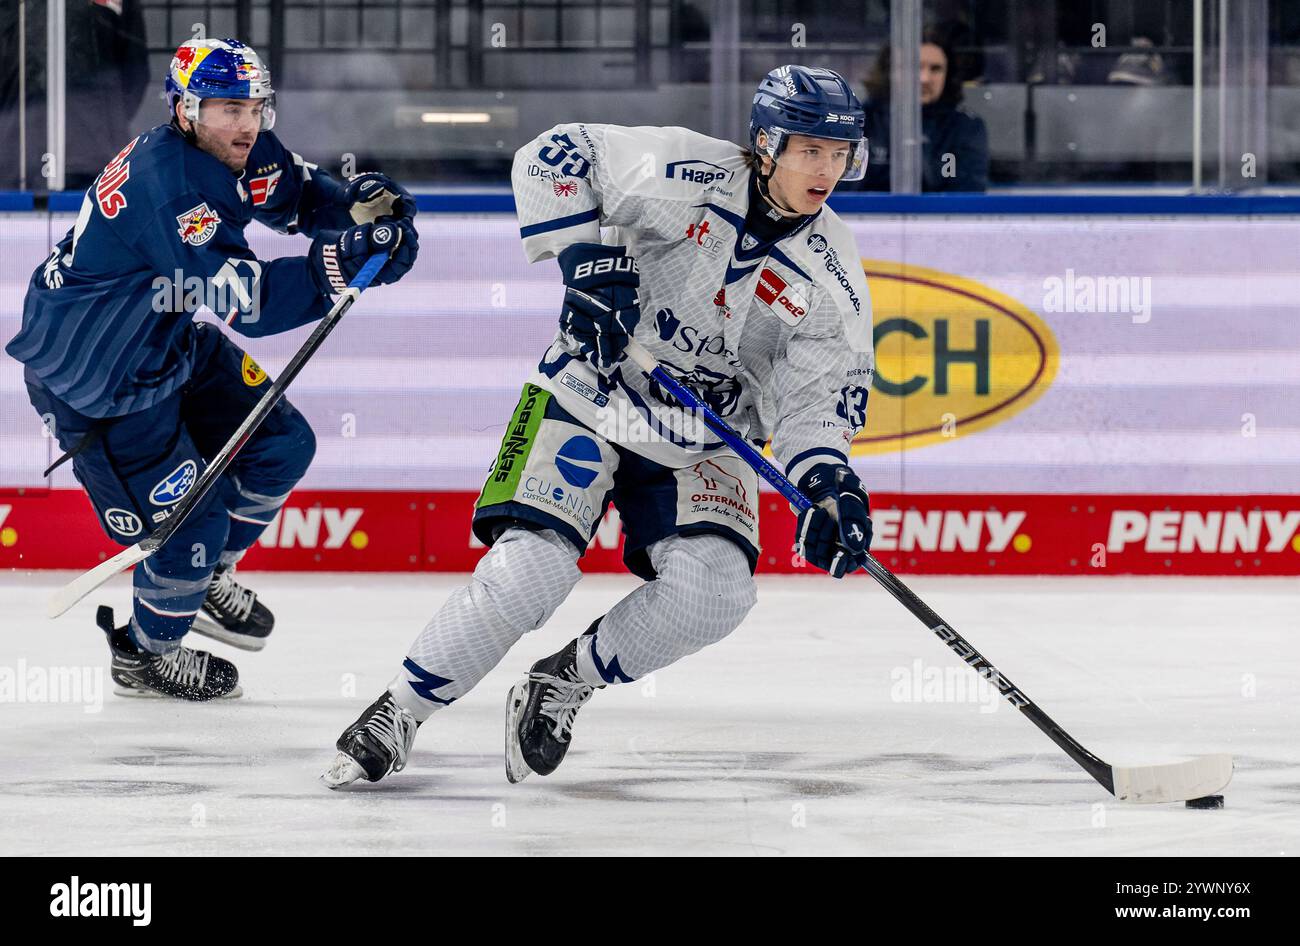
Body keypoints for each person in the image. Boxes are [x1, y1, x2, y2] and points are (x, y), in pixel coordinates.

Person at [324, 64, 876, 788]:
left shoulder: (832, 284)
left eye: (840, 154)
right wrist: (584, 259)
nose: (826, 169)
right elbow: (551, 157)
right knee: (532, 570)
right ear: (766, 144)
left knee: (718, 591)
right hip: (592, 388)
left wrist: (829, 484)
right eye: (810, 150)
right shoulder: (681, 168)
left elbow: (813, 407)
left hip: (702, 437)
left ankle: (565, 680)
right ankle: (401, 709)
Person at [4, 38, 419, 701]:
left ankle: (203, 573)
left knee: (284, 444)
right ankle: (144, 655)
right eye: (228, 108)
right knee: (189, 525)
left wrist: (359, 211)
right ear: (185, 109)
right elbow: (245, 301)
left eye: (255, 106)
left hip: (161, 339)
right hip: (97, 380)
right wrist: (344, 262)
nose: (247, 124)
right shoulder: (170, 186)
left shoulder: (230, 148)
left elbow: (296, 195)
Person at [851, 30, 989, 192]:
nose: (925, 78)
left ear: (948, 75)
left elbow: (967, 195)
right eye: (915, 67)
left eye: (936, 69)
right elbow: (846, 191)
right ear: (890, 71)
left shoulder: (966, 127)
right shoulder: (861, 121)